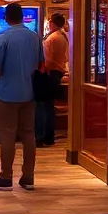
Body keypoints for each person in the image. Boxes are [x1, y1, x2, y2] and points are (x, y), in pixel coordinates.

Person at [0, 2, 44, 191]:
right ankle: (28, 177)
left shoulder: (3, 38)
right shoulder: (35, 37)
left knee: (7, 135)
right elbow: (41, 65)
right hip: (30, 93)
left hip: (7, 93)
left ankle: (6, 176)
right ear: (22, 16)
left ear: (6, 18)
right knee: (29, 134)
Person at [38, 13, 69, 147]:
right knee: (49, 105)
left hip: (50, 73)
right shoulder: (64, 36)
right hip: (58, 72)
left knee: (44, 105)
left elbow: (47, 60)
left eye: (50, 22)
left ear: (53, 23)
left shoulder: (52, 38)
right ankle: (48, 136)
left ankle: (44, 136)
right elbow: (67, 57)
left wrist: (42, 71)